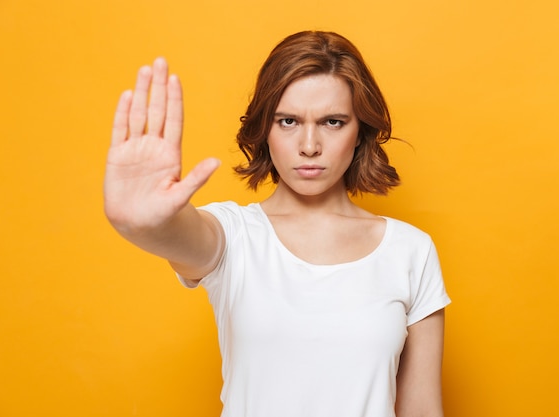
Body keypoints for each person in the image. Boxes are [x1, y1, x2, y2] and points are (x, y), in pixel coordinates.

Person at [104, 31, 451, 417]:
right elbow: (180, 235)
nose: (308, 145)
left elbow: (422, 409)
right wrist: (143, 223)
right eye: (288, 121)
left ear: (360, 133)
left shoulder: (410, 251)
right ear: (265, 129)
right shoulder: (233, 234)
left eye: (332, 122)